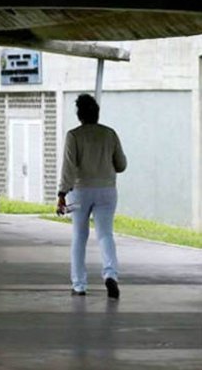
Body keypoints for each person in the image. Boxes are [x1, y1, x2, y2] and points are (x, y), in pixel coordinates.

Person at [58, 94, 127, 299]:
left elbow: (68, 168)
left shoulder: (74, 136)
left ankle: (79, 285)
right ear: (97, 114)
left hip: (79, 192)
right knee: (105, 234)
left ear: (79, 115)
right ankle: (110, 274)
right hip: (106, 191)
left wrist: (62, 193)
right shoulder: (110, 134)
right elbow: (121, 165)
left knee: (79, 237)